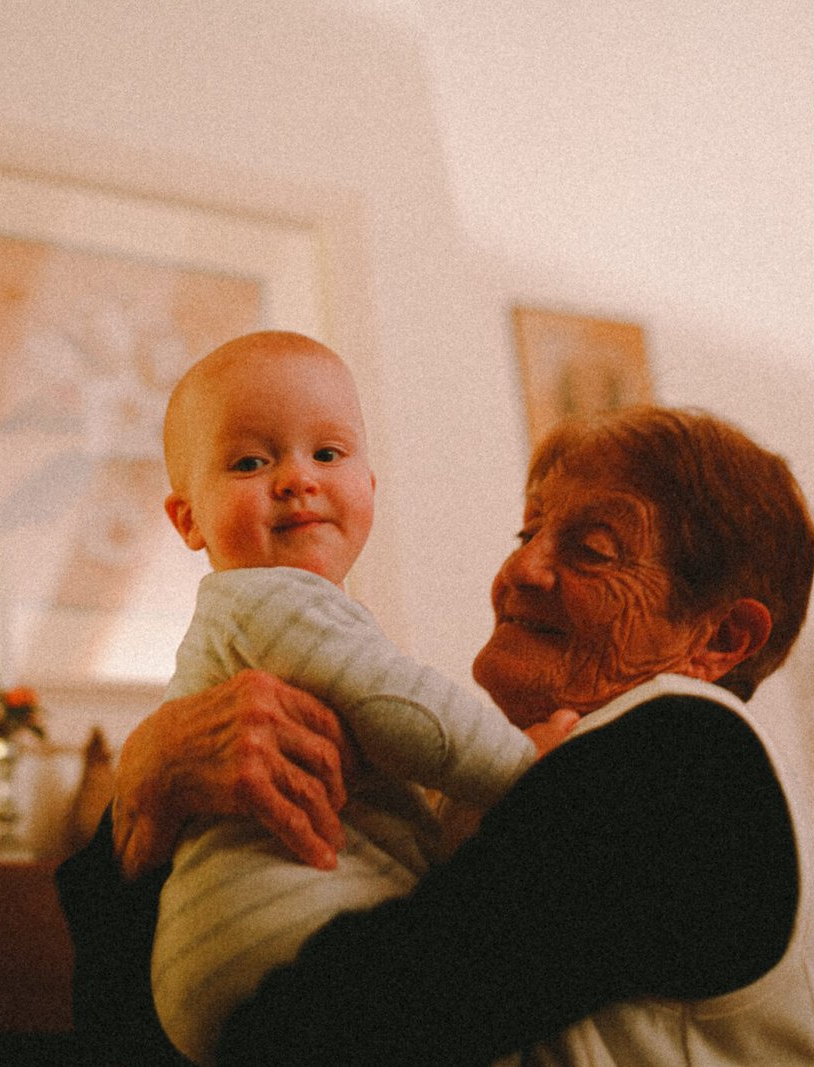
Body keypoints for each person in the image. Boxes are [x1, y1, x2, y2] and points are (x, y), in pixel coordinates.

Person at [56, 404, 814, 1066]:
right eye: (526, 533)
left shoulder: (687, 761)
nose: (520, 572)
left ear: (719, 640)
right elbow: (132, 1029)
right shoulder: (461, 798)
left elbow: (301, 1039)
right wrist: (151, 778)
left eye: (591, 548)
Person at [149, 331, 539, 1063]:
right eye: (250, 461)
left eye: (327, 454)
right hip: (278, 922)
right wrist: (538, 773)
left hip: (225, 945)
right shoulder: (266, 599)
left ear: (370, 484)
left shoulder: (272, 617)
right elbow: (411, 714)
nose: (297, 478)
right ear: (188, 519)